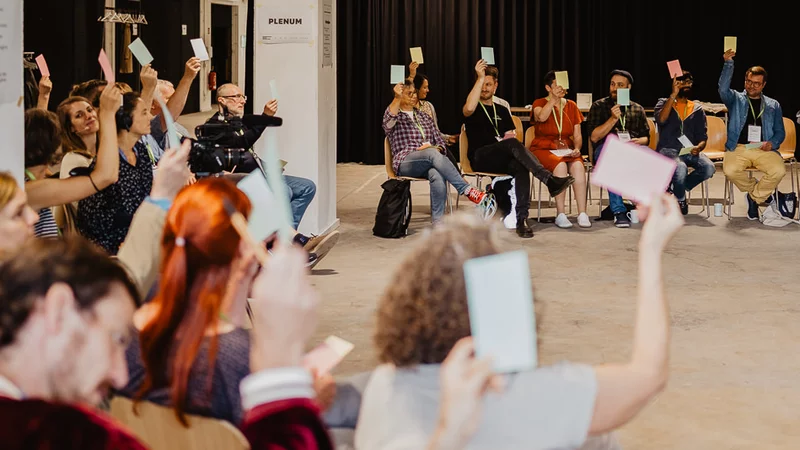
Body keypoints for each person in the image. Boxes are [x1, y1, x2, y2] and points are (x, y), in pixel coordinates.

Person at [356, 195, 684, 449]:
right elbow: (648, 375)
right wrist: (651, 249)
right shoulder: (526, 395)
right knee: (600, 439)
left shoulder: (384, 385)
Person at [462, 60, 573, 238]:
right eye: (482, 84)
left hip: (501, 158)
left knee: (520, 165)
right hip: (480, 156)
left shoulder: (502, 110)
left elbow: (508, 137)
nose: (485, 89)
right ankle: (547, 179)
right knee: (513, 144)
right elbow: (468, 108)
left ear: (495, 86)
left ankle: (522, 219)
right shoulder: (473, 106)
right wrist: (480, 77)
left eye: (488, 84)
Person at [384, 80, 495, 223]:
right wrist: (397, 98)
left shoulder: (424, 117)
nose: (413, 96)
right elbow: (387, 124)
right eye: (408, 94)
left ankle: (438, 224)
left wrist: (436, 148)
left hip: (428, 160)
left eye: (414, 93)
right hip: (405, 162)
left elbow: (440, 141)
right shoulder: (395, 116)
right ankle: (467, 190)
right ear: (400, 96)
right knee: (431, 154)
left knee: (436, 174)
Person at [24, 85, 124, 238]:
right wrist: (107, 114)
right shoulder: (30, 190)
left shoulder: (32, 183)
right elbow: (106, 176)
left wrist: (44, 97)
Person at [77, 89, 157, 255]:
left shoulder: (140, 151)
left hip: (140, 238)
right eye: (143, 113)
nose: (150, 117)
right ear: (125, 119)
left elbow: (148, 198)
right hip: (110, 249)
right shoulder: (106, 163)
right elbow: (93, 223)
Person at [718, 50, 785, 220]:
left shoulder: (773, 105)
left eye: (756, 83)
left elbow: (780, 132)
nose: (751, 86)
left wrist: (773, 143)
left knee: (778, 171)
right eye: (748, 81)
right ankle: (758, 192)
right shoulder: (735, 99)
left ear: (763, 85)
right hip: (739, 147)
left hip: (763, 148)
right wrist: (728, 63)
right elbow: (722, 88)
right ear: (745, 81)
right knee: (730, 170)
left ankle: (753, 197)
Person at [587, 69, 651, 228]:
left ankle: (645, 204)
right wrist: (613, 118)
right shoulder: (599, 106)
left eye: (620, 85)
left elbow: (646, 138)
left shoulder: (637, 109)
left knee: (652, 157)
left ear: (628, 87)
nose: (615, 88)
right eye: (612, 84)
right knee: (612, 157)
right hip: (606, 149)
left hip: (631, 149)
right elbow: (594, 137)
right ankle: (618, 211)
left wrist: (638, 141)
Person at [531, 70, 591, 228]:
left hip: (566, 148)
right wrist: (553, 100)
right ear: (548, 88)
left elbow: (577, 134)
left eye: (562, 84)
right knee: (560, 165)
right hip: (543, 147)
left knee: (578, 166)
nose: (561, 88)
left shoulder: (571, 105)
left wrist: (577, 148)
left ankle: (582, 212)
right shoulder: (539, 103)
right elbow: (541, 117)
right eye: (556, 85)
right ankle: (560, 213)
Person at [654, 70, 715, 215]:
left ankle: (676, 189)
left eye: (689, 82)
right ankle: (680, 199)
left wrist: (699, 147)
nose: (686, 85)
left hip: (689, 150)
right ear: (675, 84)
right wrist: (673, 95)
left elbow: (702, 137)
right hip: (668, 149)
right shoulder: (663, 102)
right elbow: (661, 120)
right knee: (680, 167)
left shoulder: (697, 109)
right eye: (682, 82)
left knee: (709, 168)